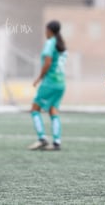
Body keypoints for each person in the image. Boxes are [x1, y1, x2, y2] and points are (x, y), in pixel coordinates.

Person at [28, 20, 67, 151]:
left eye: (46, 30)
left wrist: (39, 78)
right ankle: (56, 142)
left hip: (50, 82)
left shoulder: (50, 43)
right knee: (53, 111)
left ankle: (42, 139)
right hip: (61, 83)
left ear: (50, 30)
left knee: (35, 109)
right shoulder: (62, 45)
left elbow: (48, 62)